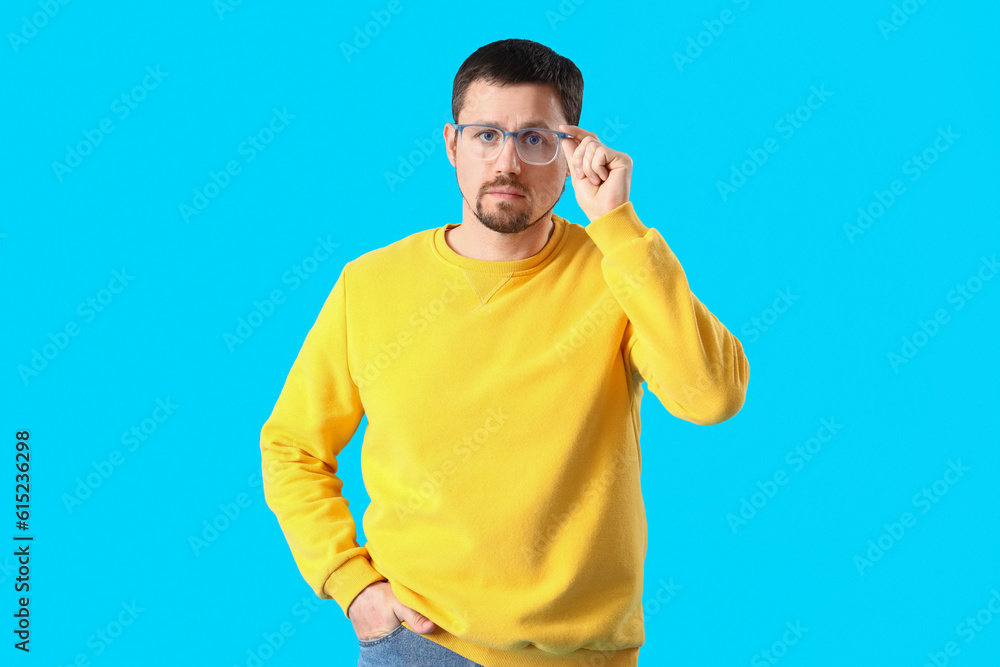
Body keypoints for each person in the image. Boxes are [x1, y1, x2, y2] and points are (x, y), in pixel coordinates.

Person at [260, 38, 750, 667]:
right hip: (419, 645)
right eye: (485, 135)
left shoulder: (618, 270)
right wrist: (353, 587)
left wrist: (619, 225)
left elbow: (711, 396)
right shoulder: (370, 284)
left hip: (583, 654)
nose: (507, 163)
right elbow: (293, 447)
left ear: (572, 151)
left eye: (535, 139)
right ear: (451, 144)